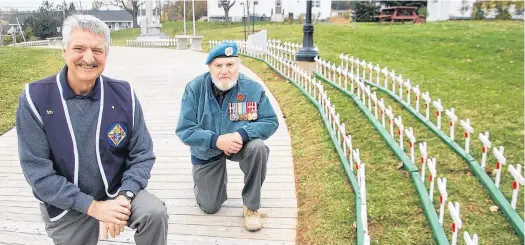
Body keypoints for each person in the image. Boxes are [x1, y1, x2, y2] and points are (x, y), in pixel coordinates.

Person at [16, 14, 168, 245]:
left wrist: (124, 198)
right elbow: (38, 175)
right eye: (79, 48)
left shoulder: (124, 94)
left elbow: (142, 154)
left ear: (106, 54)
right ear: (64, 51)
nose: (88, 57)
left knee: (154, 213)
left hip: (117, 191)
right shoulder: (34, 98)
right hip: (66, 201)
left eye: (97, 50)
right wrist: (94, 207)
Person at [175, 41, 279, 232]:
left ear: (238, 65)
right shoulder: (194, 89)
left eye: (230, 65)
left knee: (258, 148)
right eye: (218, 65)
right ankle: (204, 184)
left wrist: (243, 133)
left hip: (240, 145)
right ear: (210, 68)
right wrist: (216, 140)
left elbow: (270, 121)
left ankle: (252, 206)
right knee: (210, 206)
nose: (225, 70)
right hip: (208, 150)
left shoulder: (253, 89)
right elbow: (185, 129)